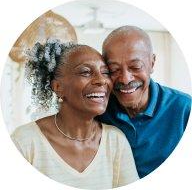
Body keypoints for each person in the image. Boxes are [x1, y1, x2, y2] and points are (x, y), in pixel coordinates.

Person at [11, 39, 139, 189]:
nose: (101, 80)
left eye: (105, 72)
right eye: (85, 72)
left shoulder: (115, 140)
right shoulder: (25, 141)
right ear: (58, 87)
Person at [98, 26, 191, 178]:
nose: (125, 79)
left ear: (152, 63)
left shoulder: (184, 108)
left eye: (135, 67)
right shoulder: (99, 109)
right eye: (114, 69)